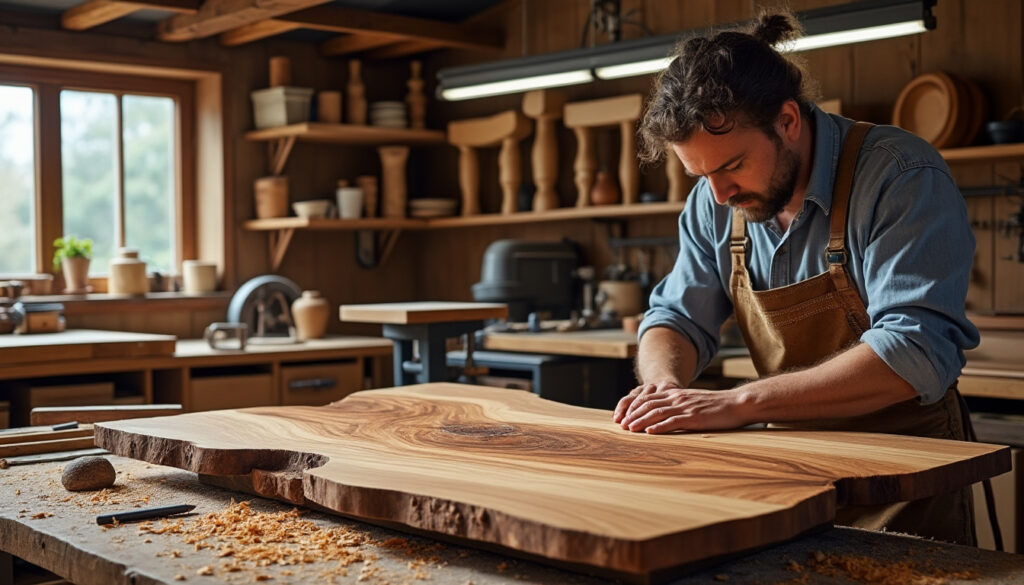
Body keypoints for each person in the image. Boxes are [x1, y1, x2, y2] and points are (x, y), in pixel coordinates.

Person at [614, 11, 980, 545]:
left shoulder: (899, 175)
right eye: (701, 175)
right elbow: (675, 316)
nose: (719, 195)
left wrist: (738, 403)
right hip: (788, 473)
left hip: (904, 473)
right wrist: (663, 385)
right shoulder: (714, 200)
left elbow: (913, 348)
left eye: (732, 165)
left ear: (787, 121)